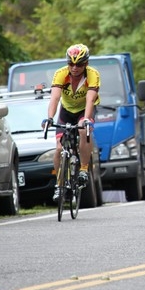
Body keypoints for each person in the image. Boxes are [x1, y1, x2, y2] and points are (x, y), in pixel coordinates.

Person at [43, 44, 100, 201]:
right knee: (59, 148)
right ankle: (60, 185)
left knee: (82, 129)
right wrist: (50, 118)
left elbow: (90, 100)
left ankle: (83, 169)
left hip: (84, 110)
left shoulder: (92, 74)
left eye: (79, 64)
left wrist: (86, 119)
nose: (74, 68)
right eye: (71, 64)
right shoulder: (61, 74)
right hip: (66, 111)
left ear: (86, 63)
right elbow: (55, 98)